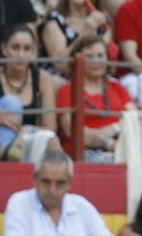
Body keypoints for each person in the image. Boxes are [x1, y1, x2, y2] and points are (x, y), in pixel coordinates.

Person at [4, 151, 125, 236]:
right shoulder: (20, 202)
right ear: (35, 179)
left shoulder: (81, 206)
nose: (52, 189)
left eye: (60, 183)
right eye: (46, 182)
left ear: (69, 183)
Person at [0, 23, 62, 161]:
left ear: (33, 52)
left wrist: (26, 130)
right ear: (4, 49)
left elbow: (50, 128)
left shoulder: (43, 78)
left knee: (51, 140)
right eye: (15, 47)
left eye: (27, 49)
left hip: (27, 139)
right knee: (10, 104)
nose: (21, 55)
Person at [56, 33, 135, 161]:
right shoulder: (67, 90)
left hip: (121, 148)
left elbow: (133, 118)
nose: (96, 61)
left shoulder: (117, 87)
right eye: (90, 56)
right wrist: (112, 133)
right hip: (83, 152)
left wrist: (111, 133)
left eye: (100, 55)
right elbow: (72, 131)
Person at [42, 0, 112, 63]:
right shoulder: (54, 19)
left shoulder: (102, 22)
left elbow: (102, 60)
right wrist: (84, 33)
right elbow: (58, 62)